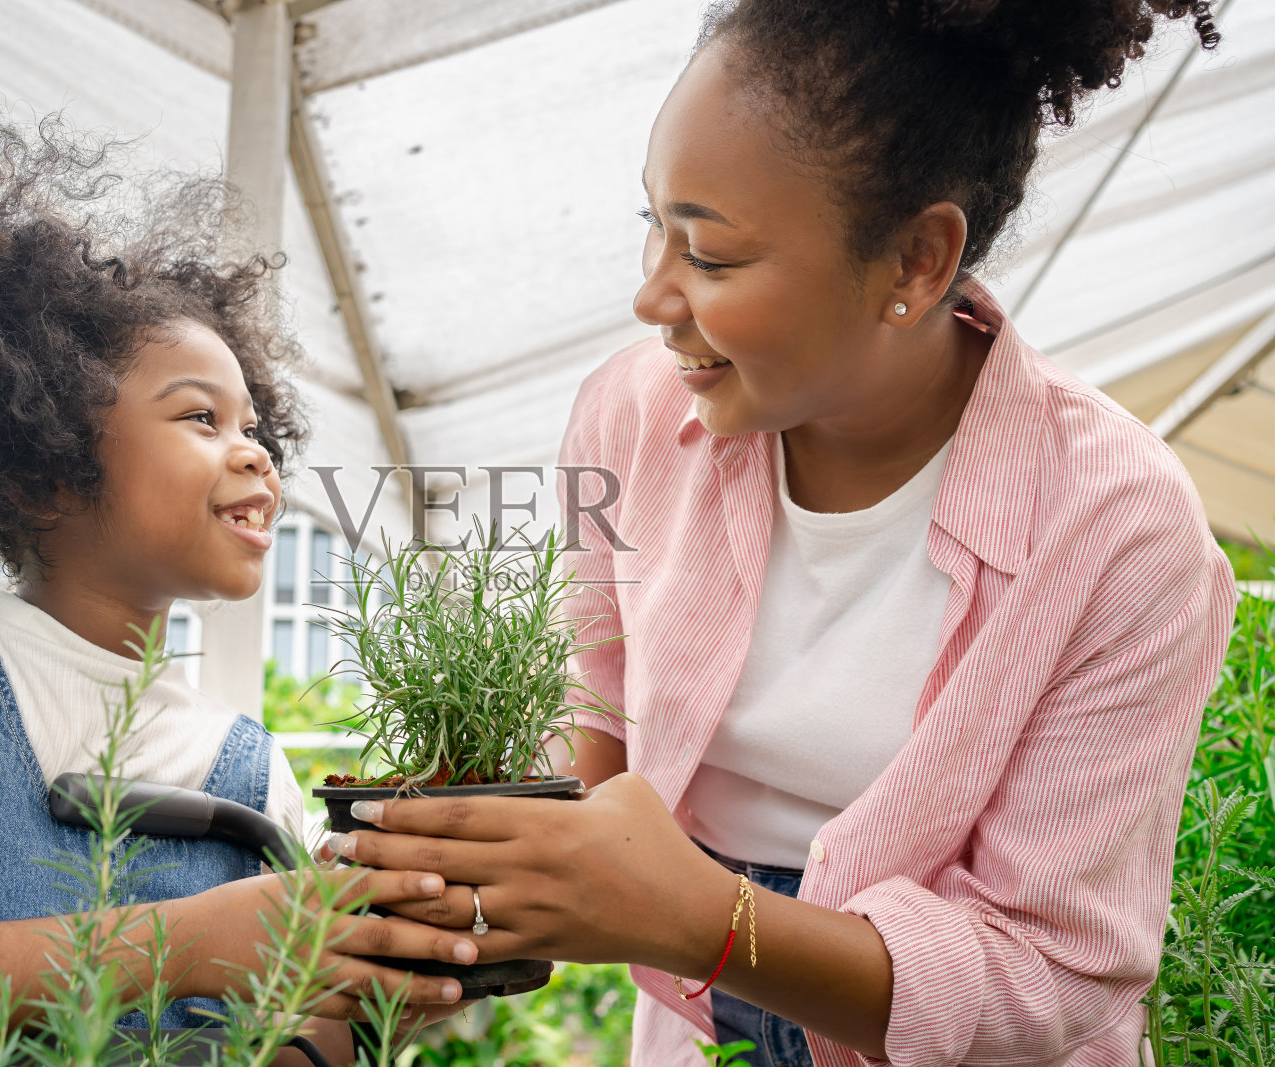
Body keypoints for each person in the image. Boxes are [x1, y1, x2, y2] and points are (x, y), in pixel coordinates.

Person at [319, 1, 1237, 1064]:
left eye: (710, 254)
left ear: (916, 260)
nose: (652, 296)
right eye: (653, 225)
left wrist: (708, 922)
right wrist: (463, 855)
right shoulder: (632, 414)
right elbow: (592, 715)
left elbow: (1049, 978)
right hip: (695, 1026)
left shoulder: (1120, 526)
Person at [0, 96, 473, 1056]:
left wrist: (371, 994)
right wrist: (179, 945)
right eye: (201, 418)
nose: (257, 454)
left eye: (254, 426)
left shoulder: (253, 768)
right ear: (47, 463)